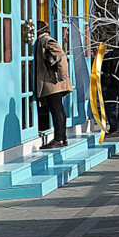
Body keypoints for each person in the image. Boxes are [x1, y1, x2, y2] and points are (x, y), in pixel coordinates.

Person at [34, 22, 73, 150]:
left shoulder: (47, 40)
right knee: (58, 110)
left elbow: (61, 57)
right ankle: (62, 137)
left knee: (56, 110)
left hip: (52, 82)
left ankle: (59, 138)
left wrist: (63, 75)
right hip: (53, 82)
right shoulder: (44, 40)